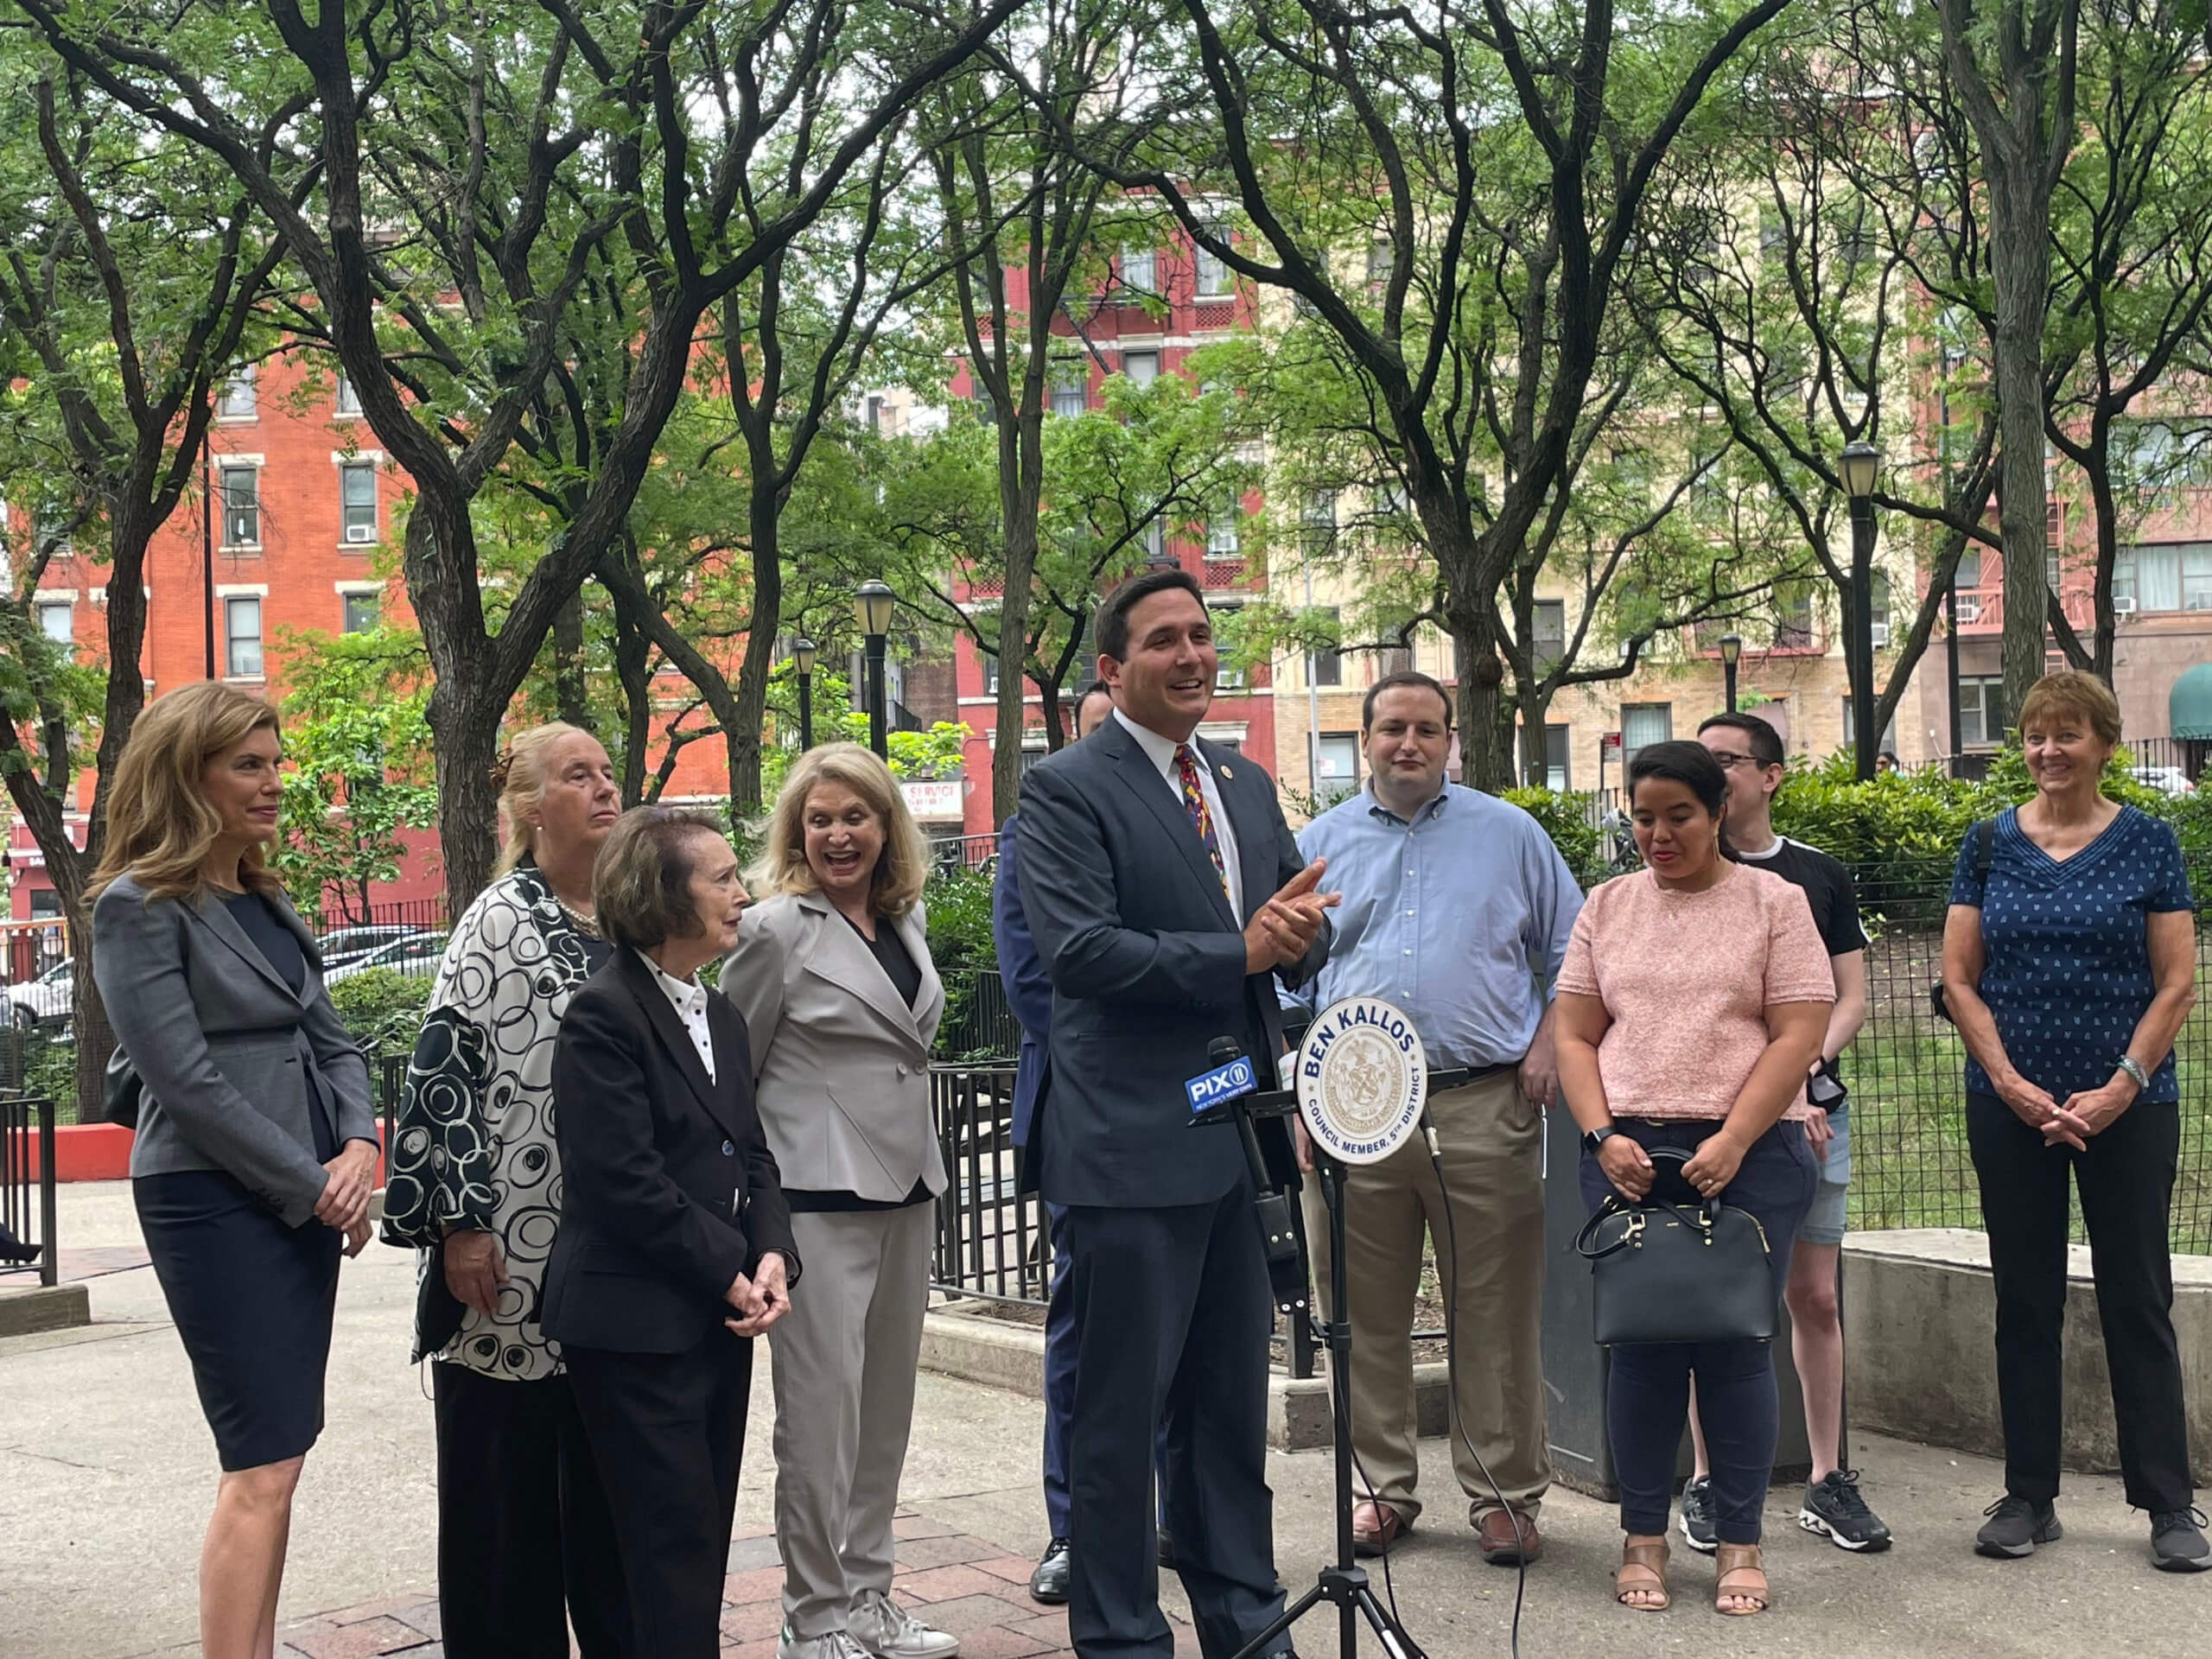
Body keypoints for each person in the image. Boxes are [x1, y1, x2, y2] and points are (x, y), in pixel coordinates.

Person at [1016, 566, 1337, 1659]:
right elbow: (1080, 953)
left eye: (1201, 636)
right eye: (1164, 641)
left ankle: (1246, 1625)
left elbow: (1292, 918)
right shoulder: (1066, 787)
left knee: (1223, 1417)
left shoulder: (1245, 783)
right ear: (1113, 669)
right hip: (1125, 1153)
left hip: (1237, 1147)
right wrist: (1242, 948)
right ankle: (1121, 1638)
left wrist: (1297, 935)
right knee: (1117, 1425)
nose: (1192, 655)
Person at [89, 682, 379, 1659]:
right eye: (247, 764)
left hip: (303, 1196)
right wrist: (315, 1183)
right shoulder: (136, 908)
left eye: (274, 761)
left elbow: (334, 1043)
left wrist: (361, 1148)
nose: (272, 782)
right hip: (209, 1199)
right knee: (256, 1463)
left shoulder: (264, 896)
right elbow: (191, 1086)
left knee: (281, 1458)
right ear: (188, 774)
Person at [1281, 670, 1580, 1567]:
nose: (1407, 744)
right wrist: (1298, 1081)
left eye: (1425, 730)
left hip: (1481, 1100)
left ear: (1451, 740)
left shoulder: (1511, 835)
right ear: (1361, 739)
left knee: (1495, 1304)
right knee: (1359, 1311)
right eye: (1390, 729)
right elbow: (1276, 973)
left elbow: (1576, 951)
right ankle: (1380, 1488)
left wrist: (1548, 1045)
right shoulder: (1319, 844)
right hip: (1352, 1112)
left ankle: (1502, 1495)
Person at [1554, 739, 1831, 1618]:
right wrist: (1600, 1136)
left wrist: (1737, 1138)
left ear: (1718, 813)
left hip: (1750, 1158)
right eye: (1642, 818)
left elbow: (1797, 1033)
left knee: (1735, 1347)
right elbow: (1573, 1036)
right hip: (1628, 1157)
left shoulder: (1773, 903)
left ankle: (1739, 1544)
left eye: (1678, 816)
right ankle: (1641, 1536)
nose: (1658, 834)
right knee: (1638, 1350)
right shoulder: (1606, 905)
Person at [1939, 671, 2207, 1570]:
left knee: (2137, 1298)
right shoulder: (1987, 843)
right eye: (2033, 735)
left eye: (2067, 734)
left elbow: (2176, 981)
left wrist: (2121, 1085)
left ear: (2104, 744)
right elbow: (1959, 980)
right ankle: (2027, 1497)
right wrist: (2011, 1083)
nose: (2047, 750)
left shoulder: (2147, 844)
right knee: (2024, 1298)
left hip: (2127, 1107)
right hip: (2009, 1106)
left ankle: (2168, 1506)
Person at [379, 721, 630, 1655]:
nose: (606, 788)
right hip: (508, 1274)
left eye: (607, 772)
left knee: (605, 1505)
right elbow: (442, 1072)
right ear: (532, 810)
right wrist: (459, 1225)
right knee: (504, 1512)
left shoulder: (631, 920)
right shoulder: (498, 919)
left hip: (611, 1266)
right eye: (578, 776)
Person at [721, 743, 962, 1659]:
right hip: (814, 1203)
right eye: (819, 819)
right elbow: (732, 1074)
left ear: (886, 826)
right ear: (796, 831)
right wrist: (753, 1214)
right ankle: (812, 1618)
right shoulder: (775, 929)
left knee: (882, 1418)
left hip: (908, 1188)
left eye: (855, 816)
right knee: (820, 1424)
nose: (837, 834)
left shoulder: (904, 920)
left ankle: (869, 1601)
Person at [543, 806, 798, 1654]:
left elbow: (751, 1150)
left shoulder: (718, 1012)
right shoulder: (601, 1015)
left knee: (688, 1539)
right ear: (661, 895)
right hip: (631, 1325)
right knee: (664, 1545)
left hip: (714, 1318)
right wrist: (729, 1272)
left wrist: (771, 1256)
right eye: (722, 877)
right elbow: (622, 1182)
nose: (742, 892)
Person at [1684, 712, 1887, 1553]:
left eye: (1723, 761)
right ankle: (1704, 1483)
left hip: (1814, 1118)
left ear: (1768, 775)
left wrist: (1803, 1072)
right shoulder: (1682, 875)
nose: (1709, 774)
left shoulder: (1818, 875)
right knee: (1712, 1300)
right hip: (1713, 1122)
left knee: (1814, 1296)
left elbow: (1851, 995)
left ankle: (1826, 1479)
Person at [992, 680, 1125, 1604]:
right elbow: (1033, 986)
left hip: (1198, 1125)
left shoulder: (1199, 826)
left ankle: (1171, 1521)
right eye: (1099, 735)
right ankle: (1077, 1529)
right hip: (1087, 1119)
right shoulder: (1031, 840)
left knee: (1195, 1336)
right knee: (1088, 1333)